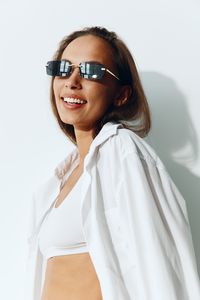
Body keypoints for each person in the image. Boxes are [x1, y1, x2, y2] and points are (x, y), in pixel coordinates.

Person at [25, 26, 200, 300]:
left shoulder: (123, 152)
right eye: (63, 68)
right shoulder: (57, 181)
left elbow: (156, 262)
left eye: (91, 72)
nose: (71, 81)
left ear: (122, 94)